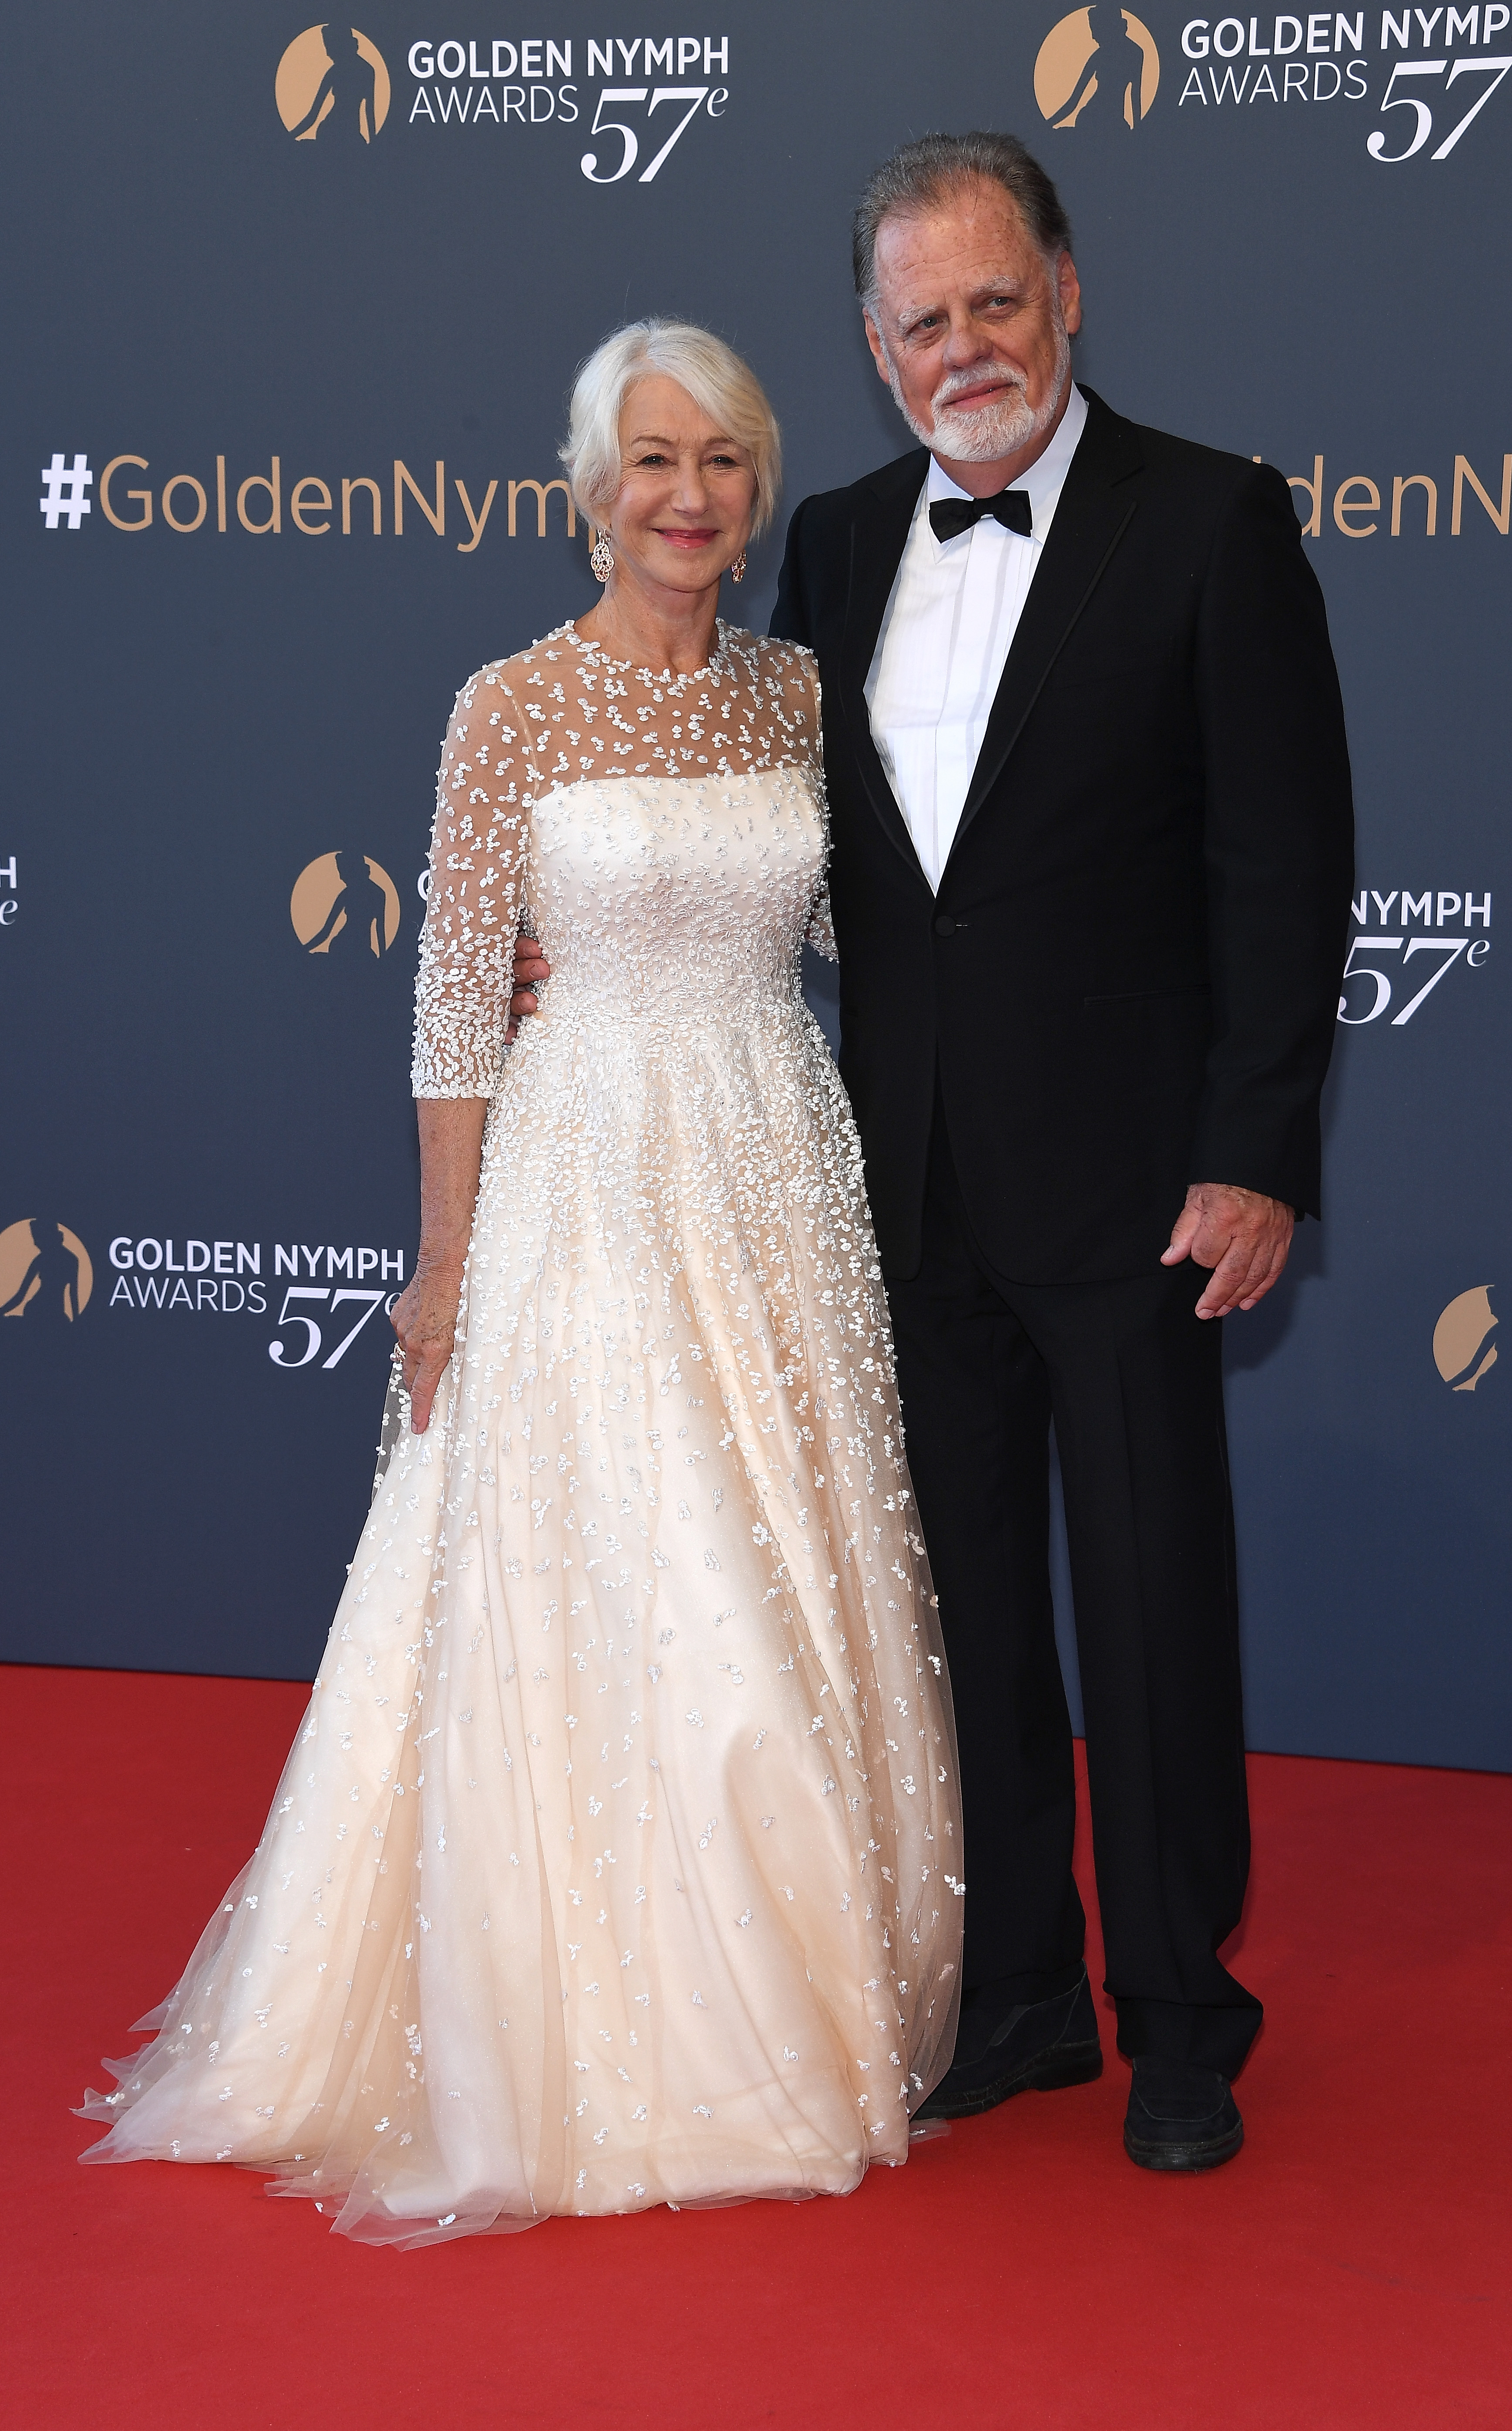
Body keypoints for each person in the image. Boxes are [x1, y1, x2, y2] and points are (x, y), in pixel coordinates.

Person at [517, 134, 1353, 2173]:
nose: (961, 346)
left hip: (1140, 1181)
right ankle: (1017, 1999)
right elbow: (786, 838)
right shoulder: (834, 536)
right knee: (961, 1601)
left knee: (1151, 1600)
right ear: (875, 349)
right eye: (920, 320)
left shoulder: (1213, 523)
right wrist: (581, 930)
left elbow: (1286, 862)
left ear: (1067, 291)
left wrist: (1253, 1153)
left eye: (995, 301)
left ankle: (1178, 2012)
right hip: (893, 1182)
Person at [79, 320, 962, 2246]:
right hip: (582, 1181)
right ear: (590, 488)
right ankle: (648, 2041)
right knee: (651, 1572)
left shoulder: (797, 693)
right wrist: (438, 1269)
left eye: (722, 460)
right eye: (652, 459)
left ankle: (783, 2001)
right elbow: (452, 1003)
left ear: (755, 485)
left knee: (780, 1554)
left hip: (775, 1167)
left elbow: (850, 920)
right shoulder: (509, 709)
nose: (689, 496)